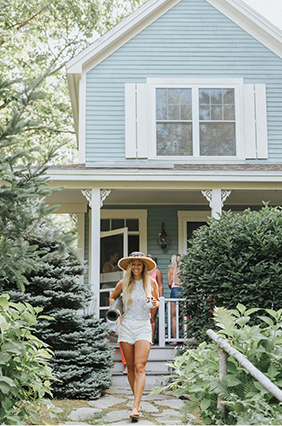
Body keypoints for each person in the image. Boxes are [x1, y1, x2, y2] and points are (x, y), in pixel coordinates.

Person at [109, 252, 160, 421]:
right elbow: (112, 297)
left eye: (139, 264)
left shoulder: (151, 283)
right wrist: (117, 307)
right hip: (127, 325)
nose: (137, 267)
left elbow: (157, 301)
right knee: (130, 367)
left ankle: (136, 406)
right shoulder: (123, 283)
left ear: (144, 266)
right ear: (130, 267)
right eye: (134, 264)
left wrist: (154, 304)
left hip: (143, 325)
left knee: (140, 366)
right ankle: (136, 400)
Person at [167, 254, 184, 346]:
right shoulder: (185, 270)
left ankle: (174, 340)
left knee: (174, 317)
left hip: (175, 290)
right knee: (185, 316)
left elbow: (169, 283)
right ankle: (186, 339)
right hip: (184, 290)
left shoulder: (171, 270)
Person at [147, 254, 163, 344]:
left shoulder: (157, 272)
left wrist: (160, 298)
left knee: (152, 318)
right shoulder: (142, 272)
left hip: (153, 298)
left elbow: (160, 285)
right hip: (143, 297)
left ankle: (151, 339)